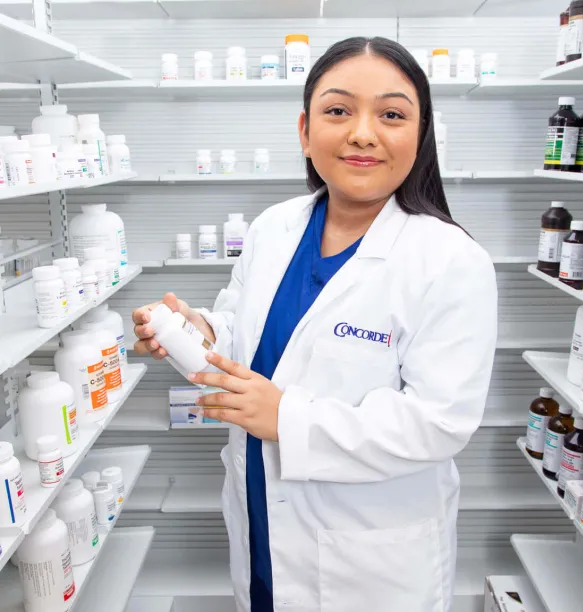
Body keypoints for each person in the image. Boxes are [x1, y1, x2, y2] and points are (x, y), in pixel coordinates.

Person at [132, 36, 497, 612]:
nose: (362, 132)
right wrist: (198, 329)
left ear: (421, 136)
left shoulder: (452, 261)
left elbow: (439, 422)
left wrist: (288, 420)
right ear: (305, 130)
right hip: (260, 504)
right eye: (337, 110)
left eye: (392, 114)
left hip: (369, 556)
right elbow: (245, 329)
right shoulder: (274, 227)